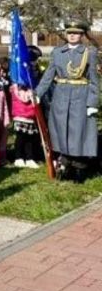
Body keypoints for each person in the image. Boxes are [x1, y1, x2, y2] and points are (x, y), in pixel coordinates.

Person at [35, 21, 99, 182]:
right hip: (61, 96)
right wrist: (38, 93)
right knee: (61, 131)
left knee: (78, 133)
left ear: (81, 35)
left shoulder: (88, 53)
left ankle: (79, 168)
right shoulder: (57, 52)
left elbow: (94, 80)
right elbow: (49, 75)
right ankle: (65, 165)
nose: (72, 35)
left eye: (76, 33)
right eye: (69, 32)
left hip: (80, 96)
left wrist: (92, 103)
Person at [11, 84, 40, 168]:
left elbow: (36, 101)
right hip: (20, 117)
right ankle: (18, 157)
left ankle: (29, 158)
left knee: (30, 139)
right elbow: (22, 99)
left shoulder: (31, 88)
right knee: (20, 138)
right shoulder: (15, 89)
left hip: (30, 117)